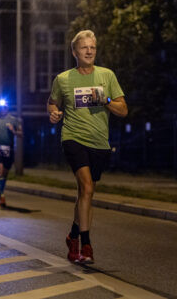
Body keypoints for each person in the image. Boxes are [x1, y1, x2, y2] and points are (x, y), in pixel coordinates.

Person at [47, 30, 128, 263]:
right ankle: (87, 246)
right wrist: (54, 114)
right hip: (73, 138)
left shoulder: (107, 76)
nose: (89, 51)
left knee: (85, 193)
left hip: (100, 143)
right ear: (75, 52)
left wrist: (108, 100)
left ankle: (73, 236)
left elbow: (123, 110)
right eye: (84, 47)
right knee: (87, 188)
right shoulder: (63, 79)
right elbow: (52, 104)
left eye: (92, 47)